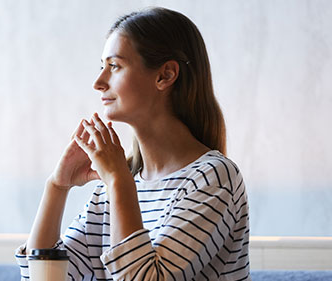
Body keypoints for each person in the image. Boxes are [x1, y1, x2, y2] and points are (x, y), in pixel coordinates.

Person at [16, 7, 251, 281]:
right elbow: (43, 278)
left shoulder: (212, 178)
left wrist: (118, 182)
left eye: (114, 66)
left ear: (165, 75)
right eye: (101, 66)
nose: (99, 82)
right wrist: (56, 187)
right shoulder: (116, 187)